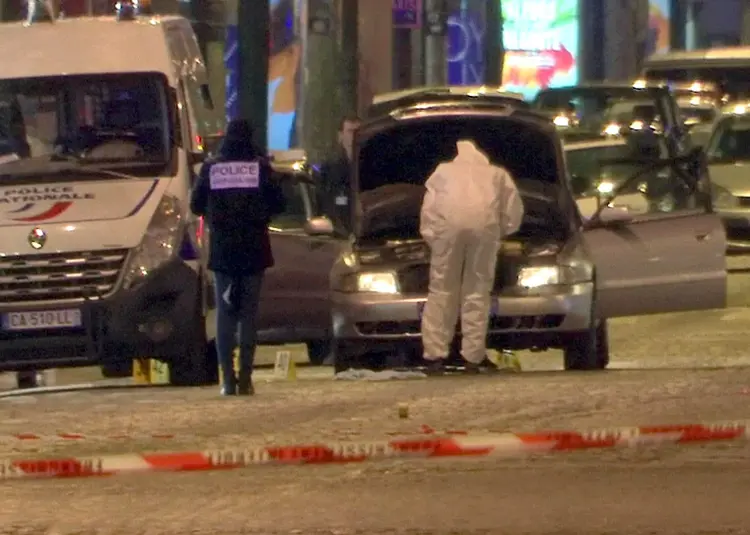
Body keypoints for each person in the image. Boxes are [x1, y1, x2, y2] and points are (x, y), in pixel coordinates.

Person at [190, 119, 286, 396]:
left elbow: (196, 205)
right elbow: (279, 203)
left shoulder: (211, 168)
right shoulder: (260, 167)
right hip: (254, 250)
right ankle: (246, 378)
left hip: (223, 252)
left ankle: (227, 380)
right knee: (248, 316)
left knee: (225, 315)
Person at [419, 139, 524, 375]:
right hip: (484, 230)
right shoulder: (496, 174)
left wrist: (433, 239)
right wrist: (502, 232)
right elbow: (512, 210)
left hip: (447, 232)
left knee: (442, 290)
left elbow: (429, 208)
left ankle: (435, 356)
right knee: (477, 291)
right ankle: (473, 358)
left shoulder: (443, 172)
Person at [319, 114, 360, 231]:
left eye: (358, 132)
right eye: (350, 131)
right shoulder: (330, 169)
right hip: (340, 231)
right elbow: (328, 203)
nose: (355, 136)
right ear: (340, 136)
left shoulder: (372, 166)